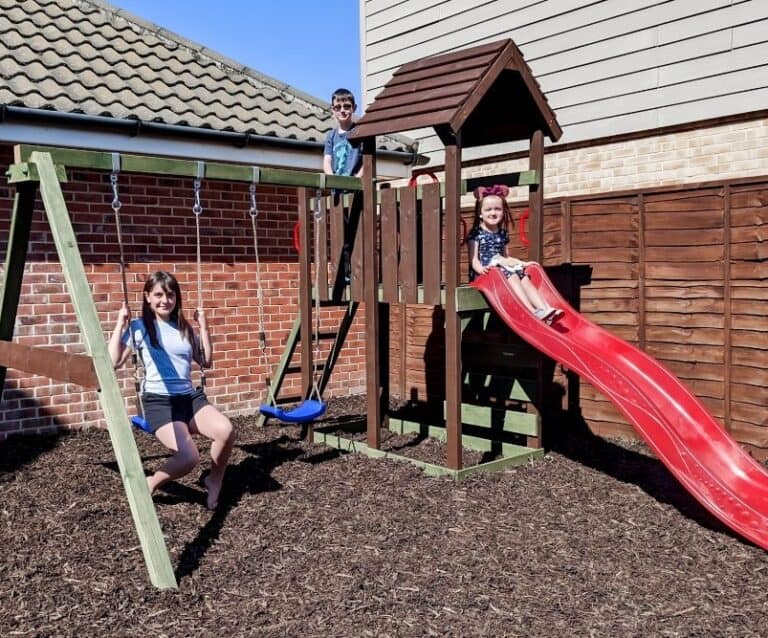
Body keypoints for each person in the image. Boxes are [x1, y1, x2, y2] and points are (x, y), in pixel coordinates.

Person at [108, 270, 235, 510]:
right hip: (160, 402)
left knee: (226, 431)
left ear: (176, 298)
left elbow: (206, 361)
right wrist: (119, 324)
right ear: (147, 297)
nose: (164, 300)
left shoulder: (184, 327)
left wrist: (203, 327)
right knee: (189, 458)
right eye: (158, 295)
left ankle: (214, 480)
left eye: (170, 295)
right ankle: (152, 482)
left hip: (188, 399)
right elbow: (113, 362)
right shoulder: (139, 327)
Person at [467, 185, 563, 323]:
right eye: (488, 209)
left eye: (497, 209)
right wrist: (481, 270)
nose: (493, 213)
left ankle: (545, 309)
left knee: (522, 275)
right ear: (480, 213)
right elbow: (474, 259)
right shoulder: (476, 233)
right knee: (511, 274)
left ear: (503, 212)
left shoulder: (502, 233)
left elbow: (506, 258)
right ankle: (532, 311)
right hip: (484, 275)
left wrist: (524, 263)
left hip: (500, 268)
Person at [323, 88, 363, 177]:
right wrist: (332, 180)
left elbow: (367, 162)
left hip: (356, 187)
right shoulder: (331, 135)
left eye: (347, 106)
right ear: (332, 110)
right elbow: (327, 161)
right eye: (338, 107)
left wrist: (356, 180)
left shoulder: (361, 132)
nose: (342, 110)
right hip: (336, 187)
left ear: (354, 108)